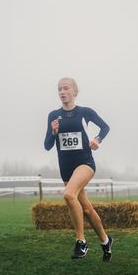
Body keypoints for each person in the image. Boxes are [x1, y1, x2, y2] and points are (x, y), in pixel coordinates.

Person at [44, 77, 113, 261]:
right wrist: (53, 132)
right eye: (59, 89)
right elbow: (47, 146)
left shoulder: (84, 112)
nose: (62, 92)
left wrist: (97, 140)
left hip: (85, 163)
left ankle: (81, 242)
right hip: (66, 169)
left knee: (68, 195)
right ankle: (106, 241)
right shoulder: (53, 116)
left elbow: (105, 127)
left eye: (66, 88)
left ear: (74, 91)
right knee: (87, 209)